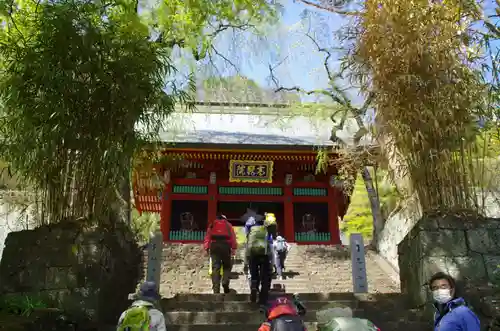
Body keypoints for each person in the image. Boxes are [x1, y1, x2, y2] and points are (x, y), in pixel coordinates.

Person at [204, 213, 237, 294]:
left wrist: (206, 248)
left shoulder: (212, 225)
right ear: (224, 219)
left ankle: (216, 290)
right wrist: (234, 248)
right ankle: (225, 282)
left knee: (215, 267)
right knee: (226, 266)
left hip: (214, 246)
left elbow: (208, 237)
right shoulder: (228, 225)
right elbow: (233, 236)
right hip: (225, 246)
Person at [245, 210, 274, 306]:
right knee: (265, 276)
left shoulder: (251, 231)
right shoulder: (266, 231)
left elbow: (247, 246)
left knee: (254, 274)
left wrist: (246, 261)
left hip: (253, 254)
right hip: (264, 255)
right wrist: (272, 262)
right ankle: (263, 298)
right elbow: (270, 247)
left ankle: (254, 286)